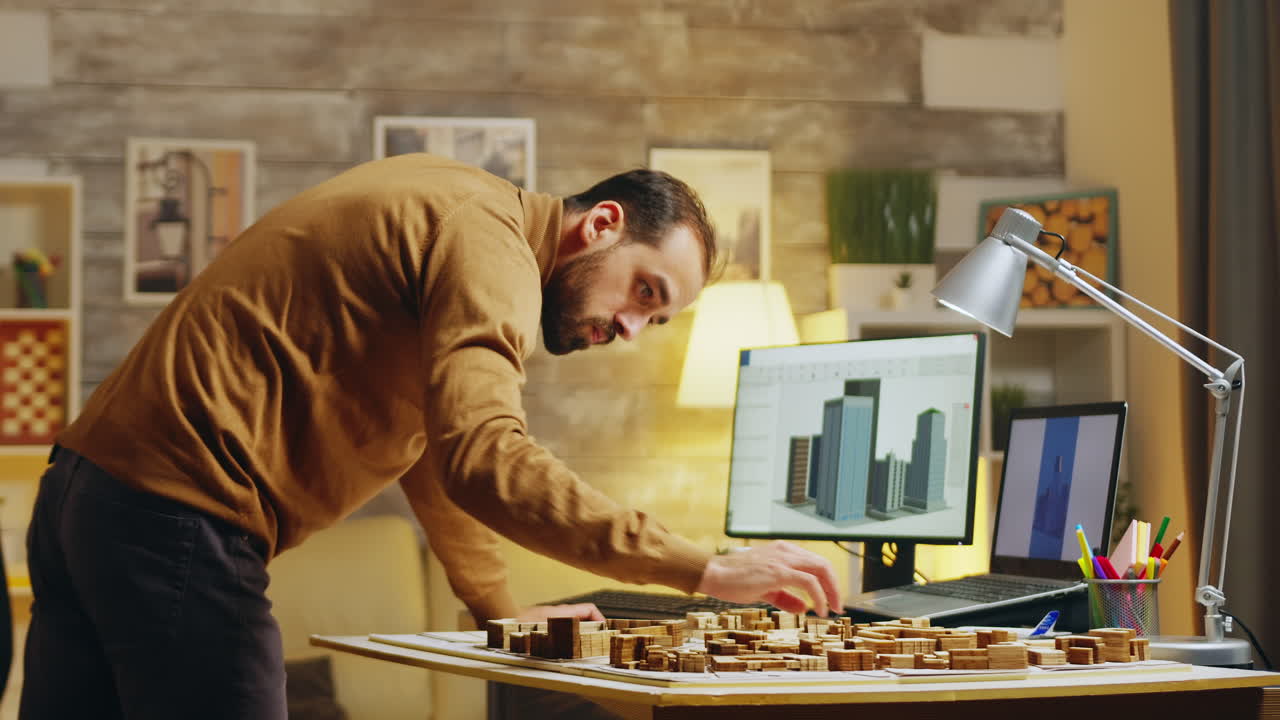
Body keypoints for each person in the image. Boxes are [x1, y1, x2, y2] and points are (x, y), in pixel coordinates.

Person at [20, 153, 841, 719]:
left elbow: (438, 454)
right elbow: (485, 455)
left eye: (653, 320)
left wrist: (499, 608)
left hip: (84, 498)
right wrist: (706, 567)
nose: (628, 328)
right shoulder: (490, 246)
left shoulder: (457, 211)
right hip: (178, 513)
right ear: (602, 225)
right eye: (643, 292)